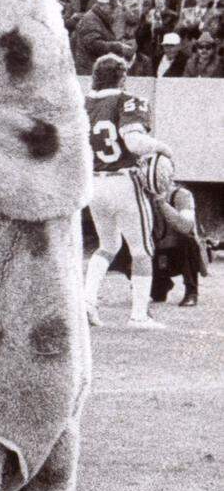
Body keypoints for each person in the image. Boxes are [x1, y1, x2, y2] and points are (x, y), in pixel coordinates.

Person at [82, 54, 171, 329]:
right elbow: (133, 142)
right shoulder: (127, 100)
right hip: (124, 181)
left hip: (94, 182)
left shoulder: (84, 104)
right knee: (142, 249)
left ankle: (87, 303)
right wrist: (162, 147)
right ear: (123, 76)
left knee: (108, 245)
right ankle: (139, 315)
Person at [149, 158, 205, 308]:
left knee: (188, 240)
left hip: (179, 251)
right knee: (157, 295)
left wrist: (162, 203)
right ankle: (162, 282)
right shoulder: (144, 196)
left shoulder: (182, 194)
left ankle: (191, 291)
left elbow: (186, 226)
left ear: (170, 175)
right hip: (157, 251)